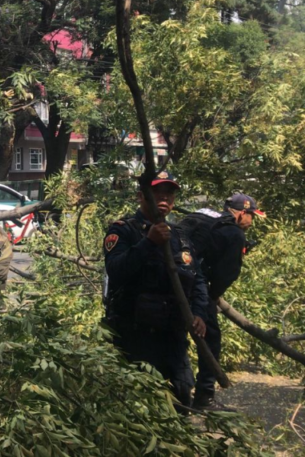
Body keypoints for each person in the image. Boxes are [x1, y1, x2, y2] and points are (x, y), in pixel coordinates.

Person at [102, 170, 209, 412]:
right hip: (135, 337)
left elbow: (199, 280)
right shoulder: (123, 230)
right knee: (138, 407)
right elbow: (116, 270)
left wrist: (199, 313)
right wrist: (148, 242)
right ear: (141, 196)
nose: (164, 199)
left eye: (169, 195)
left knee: (182, 397)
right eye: (157, 194)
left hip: (173, 337)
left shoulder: (180, 236)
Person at [180, 193, 265, 411]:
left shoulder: (204, 215)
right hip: (195, 284)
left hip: (174, 279)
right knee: (211, 338)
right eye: (251, 216)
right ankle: (204, 396)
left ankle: (177, 392)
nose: (251, 222)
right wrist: (213, 295)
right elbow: (228, 273)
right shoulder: (234, 233)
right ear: (241, 213)